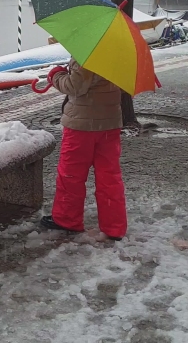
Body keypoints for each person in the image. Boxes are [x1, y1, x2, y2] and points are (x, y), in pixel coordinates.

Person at [39, 59, 127, 241]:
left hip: (81, 125)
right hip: (110, 124)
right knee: (110, 177)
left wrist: (55, 75)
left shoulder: (88, 54)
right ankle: (114, 226)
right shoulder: (118, 54)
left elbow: (75, 86)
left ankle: (67, 219)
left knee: (71, 175)